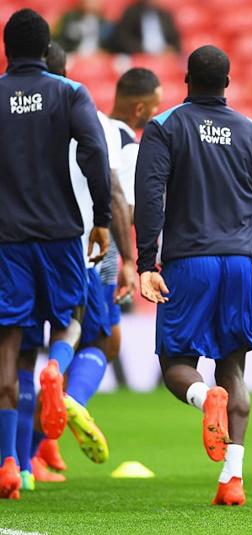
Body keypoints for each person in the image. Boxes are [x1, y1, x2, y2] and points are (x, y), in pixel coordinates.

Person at [135, 45, 252, 506]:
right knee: (233, 366)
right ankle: (232, 480)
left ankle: (202, 399)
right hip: (238, 262)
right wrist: (247, 246)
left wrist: (145, 262)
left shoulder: (165, 127)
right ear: (228, 82)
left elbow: (150, 196)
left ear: (186, 79)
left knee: (176, 364)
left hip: (188, 262)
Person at [14, 46, 144, 491]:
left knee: (19, 355)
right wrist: (128, 259)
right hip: (84, 245)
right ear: (65, 73)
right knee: (101, 337)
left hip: (16, 245)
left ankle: (23, 466)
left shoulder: (14, 114)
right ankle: (67, 397)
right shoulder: (91, 116)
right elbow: (117, 194)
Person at [0, 9, 111, 499]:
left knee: (11, 349)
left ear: (7, 49)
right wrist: (103, 218)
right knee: (72, 319)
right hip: (61, 235)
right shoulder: (68, 92)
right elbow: (94, 152)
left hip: (7, 241)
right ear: (47, 50)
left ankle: (12, 464)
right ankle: (58, 367)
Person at [102, 67, 163, 361]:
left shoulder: (93, 130)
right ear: (140, 109)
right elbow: (122, 209)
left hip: (62, 240)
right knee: (106, 343)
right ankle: (64, 398)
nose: (156, 113)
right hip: (104, 253)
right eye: (155, 107)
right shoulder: (129, 149)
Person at [110, 0, 181, 55]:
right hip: (140, 54)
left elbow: (175, 40)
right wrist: (146, 51)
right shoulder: (131, 13)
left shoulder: (165, 15)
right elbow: (124, 40)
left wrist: (171, 50)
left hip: (164, 55)